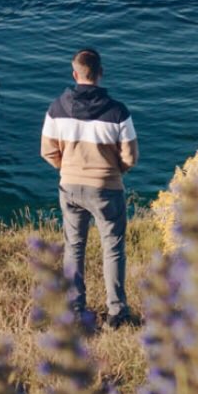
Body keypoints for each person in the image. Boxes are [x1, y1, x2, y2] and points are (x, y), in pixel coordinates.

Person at [40, 47, 139, 328]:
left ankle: (74, 310)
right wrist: (112, 172)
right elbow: (131, 156)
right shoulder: (118, 111)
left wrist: (68, 168)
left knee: (74, 247)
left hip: (69, 187)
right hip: (107, 188)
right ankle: (117, 313)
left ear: (75, 74)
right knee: (113, 248)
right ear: (100, 74)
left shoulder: (56, 108)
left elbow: (47, 151)